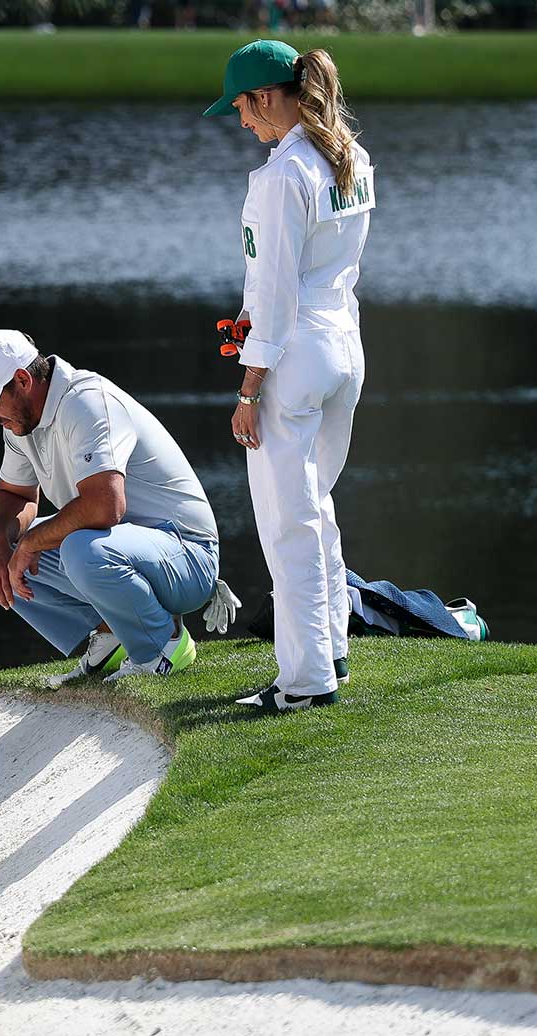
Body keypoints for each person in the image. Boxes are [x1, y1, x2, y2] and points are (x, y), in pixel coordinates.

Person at [203, 41, 375, 712]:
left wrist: (249, 389)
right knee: (316, 510)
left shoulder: (283, 178)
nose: (242, 122)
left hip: (296, 358)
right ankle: (331, 649)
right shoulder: (350, 157)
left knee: (287, 524)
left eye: (242, 107)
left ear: (268, 97)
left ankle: (305, 682)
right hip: (344, 349)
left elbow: (273, 297)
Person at [0, 330, 231, 687]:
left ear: (23, 380)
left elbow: (105, 506)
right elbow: (15, 494)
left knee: (81, 549)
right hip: (118, 550)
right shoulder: (20, 422)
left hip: (187, 557)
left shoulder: (86, 402)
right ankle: (113, 632)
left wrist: (32, 542)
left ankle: (162, 645)